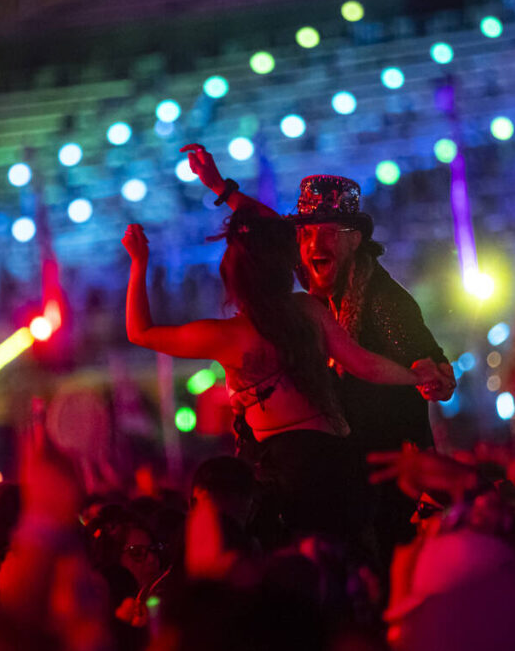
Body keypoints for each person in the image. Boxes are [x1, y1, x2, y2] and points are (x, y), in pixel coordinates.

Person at [179, 144, 454, 556]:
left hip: (388, 479)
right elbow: (268, 227)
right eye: (306, 234)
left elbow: (430, 365)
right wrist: (221, 186)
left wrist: (434, 377)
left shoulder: (383, 302)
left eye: (329, 233)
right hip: (337, 473)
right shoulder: (314, 281)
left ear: (355, 240)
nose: (313, 244)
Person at [123, 200, 446, 540]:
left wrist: (138, 263)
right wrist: (415, 376)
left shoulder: (227, 336)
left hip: (291, 476)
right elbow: (363, 363)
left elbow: (139, 332)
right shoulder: (306, 310)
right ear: (284, 266)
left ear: (233, 276)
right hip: (338, 464)